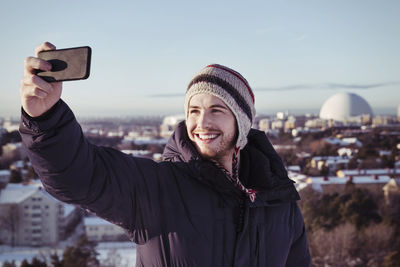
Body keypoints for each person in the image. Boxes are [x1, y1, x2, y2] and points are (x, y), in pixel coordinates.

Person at [20, 42, 311, 267]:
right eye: (193, 111)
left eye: (217, 110)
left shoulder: (279, 201)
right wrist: (46, 119)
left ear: (242, 122)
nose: (202, 123)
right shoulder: (155, 188)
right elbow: (79, 176)